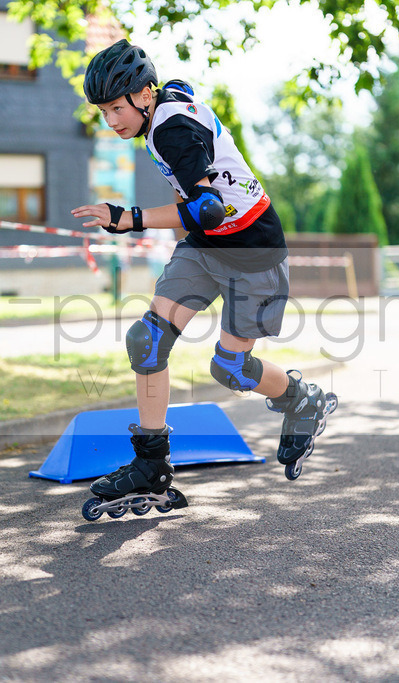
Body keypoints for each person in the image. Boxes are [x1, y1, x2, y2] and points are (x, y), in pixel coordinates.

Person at [71, 40, 337, 520]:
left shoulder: (170, 128)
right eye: (103, 112)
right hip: (207, 245)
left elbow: (207, 208)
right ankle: (151, 465)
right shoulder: (163, 106)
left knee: (231, 369)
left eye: (115, 109)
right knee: (147, 340)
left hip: (253, 250)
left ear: (144, 96)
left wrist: (127, 218)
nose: (110, 121)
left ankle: (302, 400)